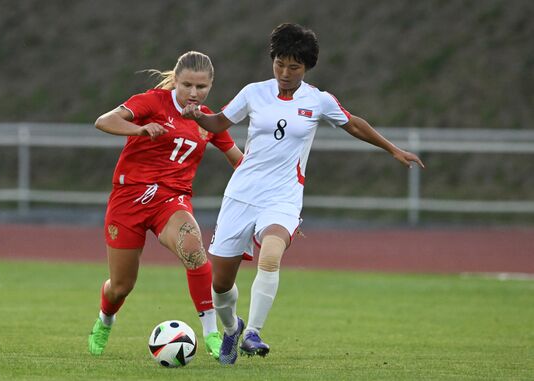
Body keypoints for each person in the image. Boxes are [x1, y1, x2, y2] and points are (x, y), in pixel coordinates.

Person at [182, 24, 425, 365]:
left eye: (293, 67)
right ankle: (232, 327)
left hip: (283, 197)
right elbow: (220, 123)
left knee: (271, 255)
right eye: (279, 63)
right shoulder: (254, 92)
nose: (284, 72)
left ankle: (252, 332)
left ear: (307, 67)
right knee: (220, 286)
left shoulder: (318, 100)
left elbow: (353, 123)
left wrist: (393, 149)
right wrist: (197, 116)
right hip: (241, 194)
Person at [87, 51, 244, 360]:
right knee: (121, 286)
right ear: (176, 81)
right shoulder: (152, 102)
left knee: (192, 246)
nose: (194, 93)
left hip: (170, 201)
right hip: (128, 199)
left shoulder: (208, 120)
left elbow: (240, 161)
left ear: (211, 84)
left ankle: (211, 332)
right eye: (187, 85)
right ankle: (105, 319)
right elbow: (103, 121)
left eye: (201, 87)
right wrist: (140, 129)